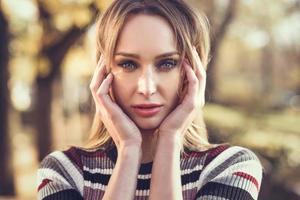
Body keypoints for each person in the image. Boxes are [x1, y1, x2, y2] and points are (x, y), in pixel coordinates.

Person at [37, 0, 263, 199]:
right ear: (102, 73)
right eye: (128, 64)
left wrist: (170, 139)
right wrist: (128, 149)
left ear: (193, 73)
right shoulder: (64, 172)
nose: (146, 87)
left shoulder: (230, 167)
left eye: (166, 64)